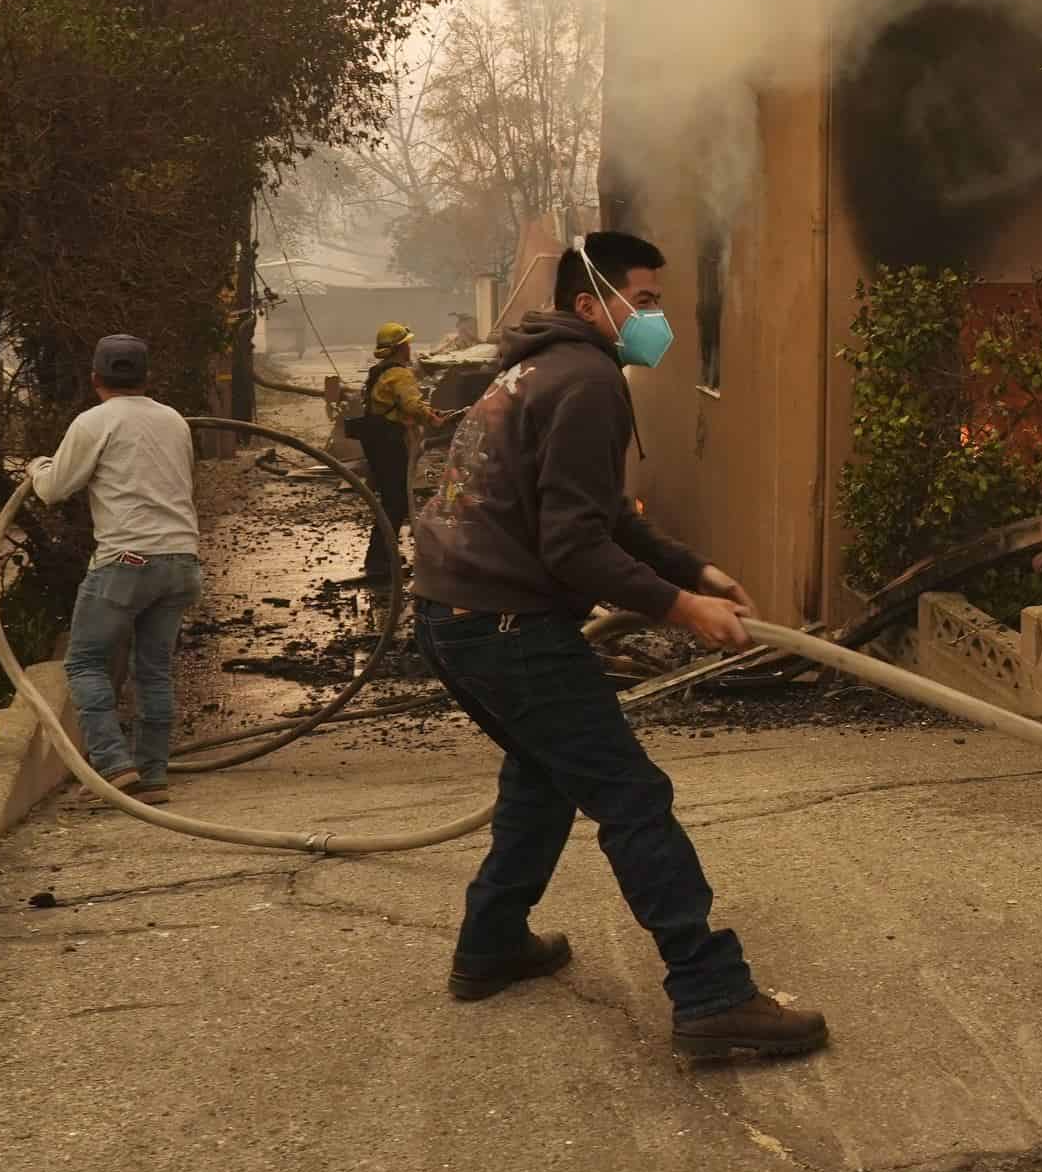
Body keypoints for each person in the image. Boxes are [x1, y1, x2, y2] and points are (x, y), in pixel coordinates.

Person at [411, 230, 825, 1059]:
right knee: (631, 796)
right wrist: (681, 608)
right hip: (505, 624)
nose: (656, 319)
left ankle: (490, 943)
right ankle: (711, 994)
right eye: (644, 301)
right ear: (588, 306)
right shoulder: (591, 381)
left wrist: (692, 568)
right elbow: (573, 547)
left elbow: (597, 519)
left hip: (453, 614)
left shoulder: (538, 369)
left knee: (542, 777)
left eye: (659, 302)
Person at [31, 335, 203, 806]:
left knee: (85, 663)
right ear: (148, 378)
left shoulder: (93, 422)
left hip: (127, 560)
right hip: (182, 561)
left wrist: (36, 467)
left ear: (94, 379)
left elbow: (53, 488)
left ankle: (112, 768)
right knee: (154, 669)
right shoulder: (174, 421)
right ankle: (153, 774)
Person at [348, 322, 451, 582]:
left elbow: (399, 405)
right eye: (406, 343)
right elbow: (411, 404)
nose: (409, 348)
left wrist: (427, 412)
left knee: (391, 499)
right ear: (399, 348)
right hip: (389, 441)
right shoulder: (400, 374)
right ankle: (380, 562)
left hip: (377, 440)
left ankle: (383, 557)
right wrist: (431, 417)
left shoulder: (379, 371)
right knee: (396, 501)